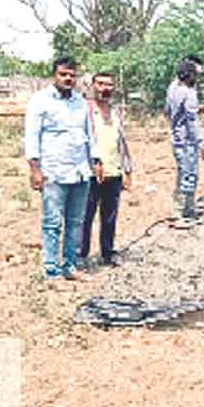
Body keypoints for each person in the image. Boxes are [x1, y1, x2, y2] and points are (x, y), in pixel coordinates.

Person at [24, 56, 92, 280]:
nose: (68, 78)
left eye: (72, 75)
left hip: (80, 170)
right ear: (55, 75)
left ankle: (70, 266)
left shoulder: (80, 102)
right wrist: (35, 169)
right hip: (54, 171)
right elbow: (32, 136)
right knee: (53, 223)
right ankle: (51, 270)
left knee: (76, 222)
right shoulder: (40, 101)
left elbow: (89, 134)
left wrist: (95, 161)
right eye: (63, 74)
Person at [81, 71, 133, 268]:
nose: (105, 88)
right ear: (93, 86)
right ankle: (81, 255)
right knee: (85, 216)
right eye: (101, 84)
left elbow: (122, 143)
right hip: (91, 173)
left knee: (110, 216)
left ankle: (108, 253)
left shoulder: (116, 112)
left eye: (109, 85)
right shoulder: (85, 112)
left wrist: (128, 170)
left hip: (114, 171)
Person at [165, 55, 204, 223]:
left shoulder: (173, 89)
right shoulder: (189, 93)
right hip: (188, 141)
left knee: (183, 173)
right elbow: (192, 121)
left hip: (177, 139)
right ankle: (182, 212)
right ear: (190, 75)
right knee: (189, 174)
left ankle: (183, 209)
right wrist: (202, 143)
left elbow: (168, 111)